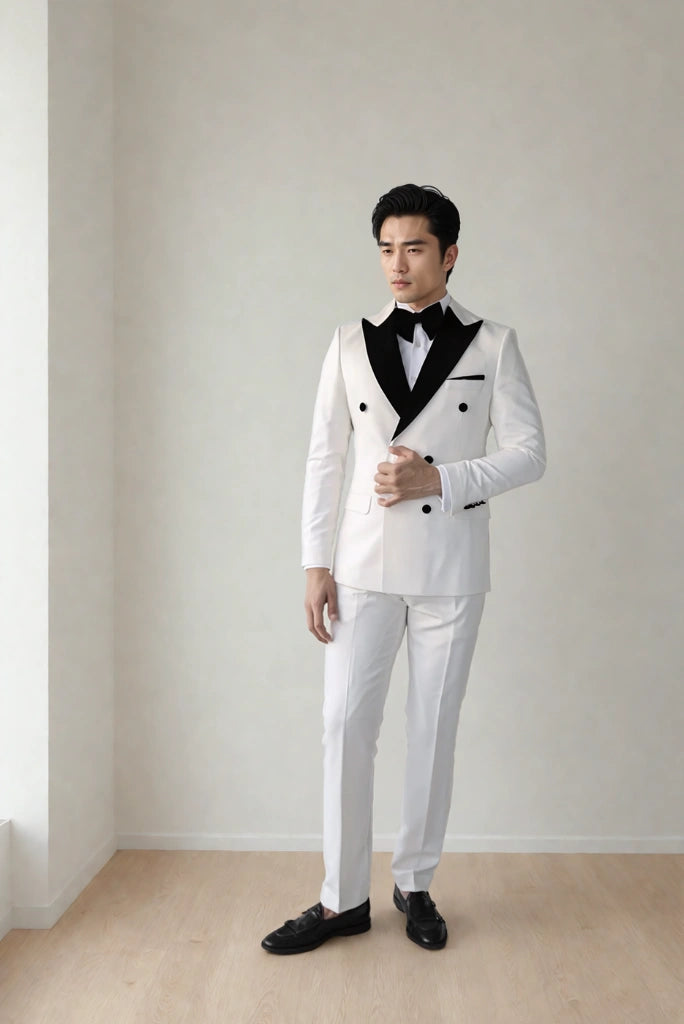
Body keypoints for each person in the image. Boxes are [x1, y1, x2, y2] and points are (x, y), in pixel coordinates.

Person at [261, 184, 546, 955]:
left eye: (414, 248)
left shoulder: (493, 344)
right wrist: (314, 562)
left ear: (449, 255)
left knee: (433, 729)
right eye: (386, 248)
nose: (397, 263)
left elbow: (529, 454)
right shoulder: (348, 342)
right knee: (344, 724)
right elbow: (324, 459)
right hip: (361, 565)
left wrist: (440, 480)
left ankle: (414, 882)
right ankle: (341, 899)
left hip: (452, 566)